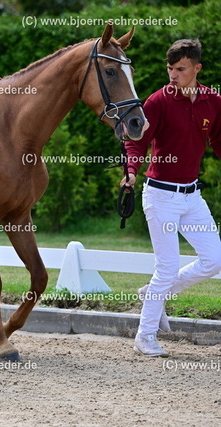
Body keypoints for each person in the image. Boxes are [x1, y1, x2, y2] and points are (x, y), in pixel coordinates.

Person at [121, 39, 221, 357]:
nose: (173, 75)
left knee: (214, 259)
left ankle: (152, 293)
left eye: (180, 69)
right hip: (160, 195)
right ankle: (145, 337)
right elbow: (136, 140)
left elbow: (219, 141)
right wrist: (131, 171)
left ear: (197, 68)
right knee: (167, 267)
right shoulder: (158, 101)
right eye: (170, 69)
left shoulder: (213, 101)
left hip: (192, 196)